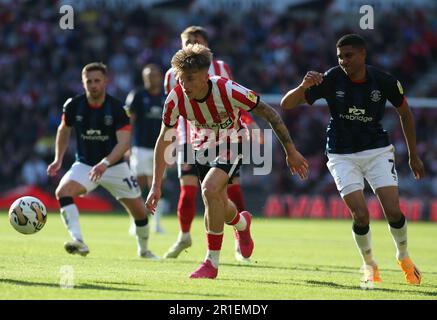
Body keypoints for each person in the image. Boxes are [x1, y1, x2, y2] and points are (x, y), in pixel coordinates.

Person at [146, 44, 308, 279]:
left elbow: (270, 113)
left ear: (205, 75)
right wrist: (156, 185)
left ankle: (211, 263)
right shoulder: (176, 98)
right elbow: (163, 140)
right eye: (181, 79)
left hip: (233, 142)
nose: (184, 85)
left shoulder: (228, 89)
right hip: (201, 146)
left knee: (209, 189)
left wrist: (290, 151)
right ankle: (242, 224)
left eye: (190, 79)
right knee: (219, 201)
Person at [281, 34, 425, 285]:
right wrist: (303, 86)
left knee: (393, 211)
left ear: (362, 55)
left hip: (377, 150)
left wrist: (414, 155)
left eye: (348, 56)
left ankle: (403, 256)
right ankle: (369, 264)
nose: (343, 61)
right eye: (340, 57)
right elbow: (286, 103)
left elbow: (405, 113)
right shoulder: (330, 79)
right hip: (341, 154)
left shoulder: (384, 81)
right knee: (360, 215)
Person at [163, 25, 260, 260]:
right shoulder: (171, 74)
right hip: (189, 139)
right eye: (186, 42)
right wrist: (170, 143)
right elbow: (174, 109)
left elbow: (233, 100)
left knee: (226, 189)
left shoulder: (221, 69)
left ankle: (238, 233)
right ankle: (184, 235)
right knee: (189, 189)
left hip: (226, 137)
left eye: (195, 41)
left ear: (206, 45)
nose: (190, 46)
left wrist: (249, 123)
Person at [47, 62, 159, 259]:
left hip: (114, 166)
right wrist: (58, 159)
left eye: (97, 80)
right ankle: (79, 241)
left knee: (140, 213)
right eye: (88, 81)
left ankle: (144, 250)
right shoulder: (74, 106)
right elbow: (63, 130)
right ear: (83, 84)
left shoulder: (117, 109)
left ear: (106, 81)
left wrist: (105, 163)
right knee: (62, 192)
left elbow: (124, 143)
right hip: (85, 164)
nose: (93, 85)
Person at [125, 63, 167, 234]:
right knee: (138, 185)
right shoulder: (137, 95)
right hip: (140, 147)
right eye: (148, 75)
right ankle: (136, 222)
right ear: (143, 77)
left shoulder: (166, 97)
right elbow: (128, 121)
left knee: (158, 185)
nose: (151, 78)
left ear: (160, 77)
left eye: (154, 74)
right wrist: (126, 145)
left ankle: (157, 223)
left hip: (161, 148)